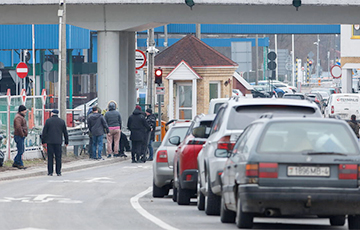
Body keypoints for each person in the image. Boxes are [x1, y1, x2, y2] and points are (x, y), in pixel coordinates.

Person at [41, 109, 69, 176]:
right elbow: (65, 132)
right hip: (58, 142)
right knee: (58, 157)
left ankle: (50, 172)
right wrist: (66, 141)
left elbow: (44, 132)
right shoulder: (62, 121)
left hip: (50, 142)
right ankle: (58, 172)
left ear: (52, 114)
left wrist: (43, 141)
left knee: (50, 157)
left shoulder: (48, 121)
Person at [13, 105, 28, 169]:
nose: (25, 112)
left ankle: (16, 162)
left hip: (20, 135)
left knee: (21, 150)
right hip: (19, 136)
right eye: (25, 111)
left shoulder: (20, 117)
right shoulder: (18, 118)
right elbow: (18, 127)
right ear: (21, 111)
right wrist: (22, 134)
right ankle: (19, 163)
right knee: (21, 150)